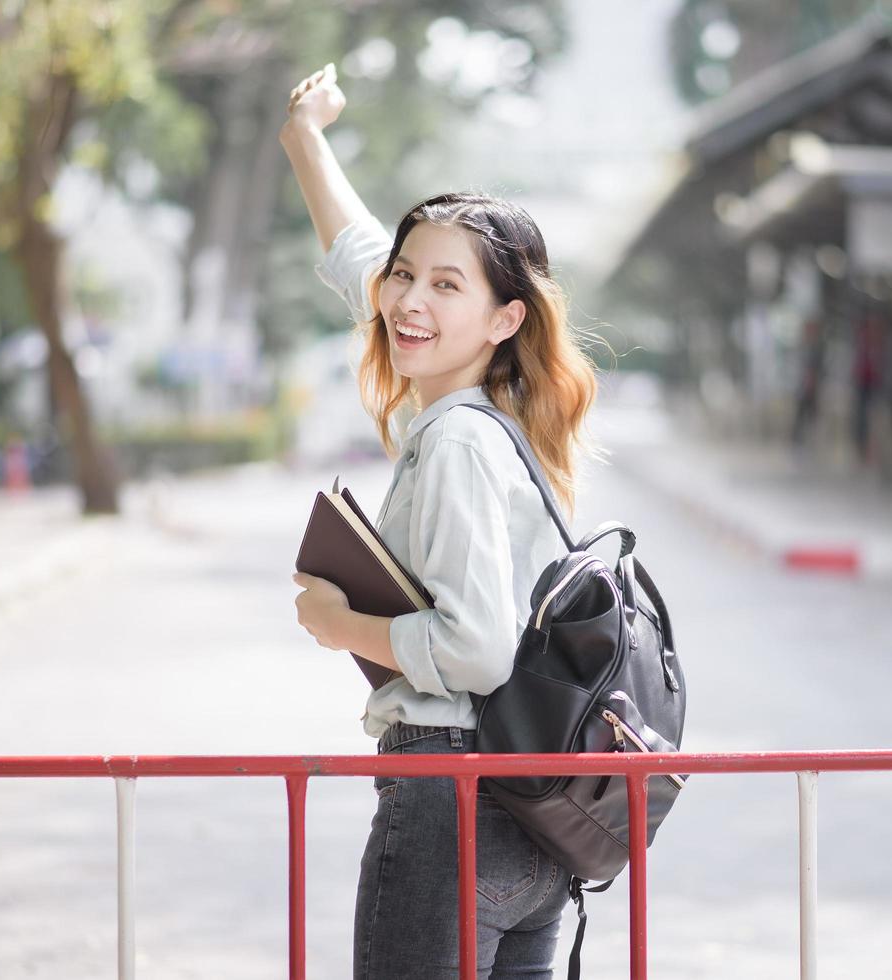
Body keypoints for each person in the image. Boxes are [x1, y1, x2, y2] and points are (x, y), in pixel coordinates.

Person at [282, 63, 602, 979]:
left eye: (446, 288)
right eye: (404, 277)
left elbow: (474, 649)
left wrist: (339, 623)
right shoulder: (506, 420)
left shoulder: (459, 441)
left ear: (505, 318)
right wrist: (306, 138)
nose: (409, 302)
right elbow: (365, 264)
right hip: (525, 821)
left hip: (447, 797)